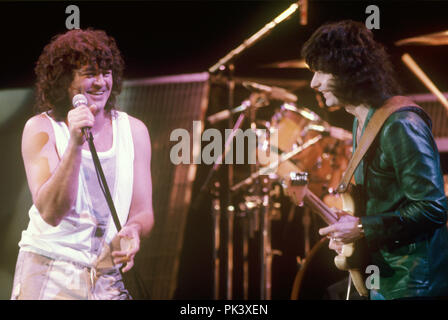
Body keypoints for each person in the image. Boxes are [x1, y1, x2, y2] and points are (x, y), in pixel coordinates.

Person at [300, 20, 448, 299]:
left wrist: (362, 227)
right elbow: (389, 203)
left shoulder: (400, 124)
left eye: (321, 71)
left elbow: (433, 207)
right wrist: (353, 223)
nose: (313, 82)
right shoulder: (362, 122)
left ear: (349, 71)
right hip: (384, 275)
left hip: (412, 282)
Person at [11, 28, 154, 300]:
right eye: (90, 74)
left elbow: (143, 212)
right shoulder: (42, 129)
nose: (101, 82)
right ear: (65, 81)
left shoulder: (134, 131)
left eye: (107, 72)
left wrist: (134, 230)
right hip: (50, 270)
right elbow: (52, 212)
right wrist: (75, 144)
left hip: (106, 274)